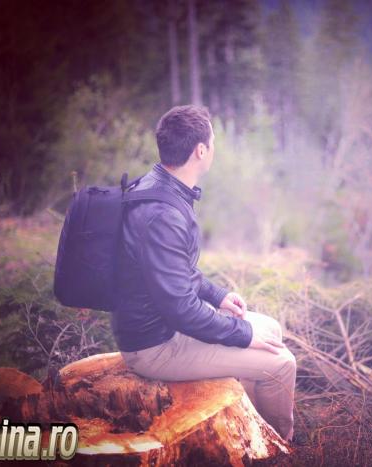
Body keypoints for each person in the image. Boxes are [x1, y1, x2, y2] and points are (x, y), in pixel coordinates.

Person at [111, 104, 296, 441]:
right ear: (200, 150)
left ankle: (251, 425)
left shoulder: (158, 186)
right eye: (212, 142)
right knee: (282, 364)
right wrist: (242, 334)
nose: (213, 148)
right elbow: (181, 310)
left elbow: (171, 270)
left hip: (158, 328)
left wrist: (218, 296)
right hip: (155, 347)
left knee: (269, 328)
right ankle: (278, 446)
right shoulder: (164, 214)